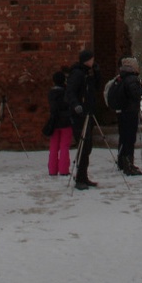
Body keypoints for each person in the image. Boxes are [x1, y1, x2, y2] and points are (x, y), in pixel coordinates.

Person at [65, 48, 102, 190]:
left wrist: (97, 73)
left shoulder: (88, 73)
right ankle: (80, 178)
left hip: (88, 113)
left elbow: (96, 88)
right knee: (83, 145)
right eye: (92, 59)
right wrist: (76, 105)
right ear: (87, 60)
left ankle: (83, 176)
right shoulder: (78, 74)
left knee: (88, 146)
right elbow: (70, 92)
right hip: (80, 115)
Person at [116, 56, 142, 175]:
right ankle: (128, 164)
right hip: (130, 111)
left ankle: (122, 162)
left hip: (123, 111)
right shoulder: (132, 79)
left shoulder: (121, 77)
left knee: (124, 138)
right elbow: (135, 94)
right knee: (130, 138)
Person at [47, 70, 72, 176]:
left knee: (53, 147)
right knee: (64, 147)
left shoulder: (51, 93)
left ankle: (52, 170)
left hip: (54, 121)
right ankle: (63, 169)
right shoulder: (65, 92)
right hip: (65, 121)